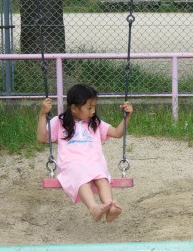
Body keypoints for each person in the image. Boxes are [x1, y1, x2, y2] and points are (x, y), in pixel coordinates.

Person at [37, 84, 133, 223]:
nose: (93, 111)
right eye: (89, 107)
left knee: (102, 176)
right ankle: (93, 207)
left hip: (93, 162)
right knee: (81, 174)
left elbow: (117, 133)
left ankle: (110, 206)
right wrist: (42, 114)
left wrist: (127, 117)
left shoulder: (95, 123)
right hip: (71, 164)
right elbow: (42, 137)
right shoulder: (60, 122)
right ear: (74, 108)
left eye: (94, 106)